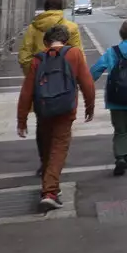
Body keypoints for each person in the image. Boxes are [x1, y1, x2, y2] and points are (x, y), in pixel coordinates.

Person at [16, 24, 94, 211]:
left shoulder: (38, 59)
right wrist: (89, 106)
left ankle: (49, 183)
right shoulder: (74, 54)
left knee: (45, 144)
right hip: (65, 110)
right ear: (65, 40)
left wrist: (22, 119)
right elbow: (87, 82)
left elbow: (27, 91)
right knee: (58, 148)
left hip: (43, 110)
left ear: (46, 42)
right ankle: (50, 191)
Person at [89, 19, 127, 176]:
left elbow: (96, 70)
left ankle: (120, 157)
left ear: (121, 34)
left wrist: (85, 84)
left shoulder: (112, 52)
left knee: (119, 129)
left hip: (115, 98)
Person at [17, 0, 84, 72]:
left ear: (45, 8)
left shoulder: (34, 27)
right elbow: (79, 55)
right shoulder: (71, 27)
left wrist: (33, 74)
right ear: (62, 8)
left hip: (39, 74)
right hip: (65, 76)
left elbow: (25, 54)